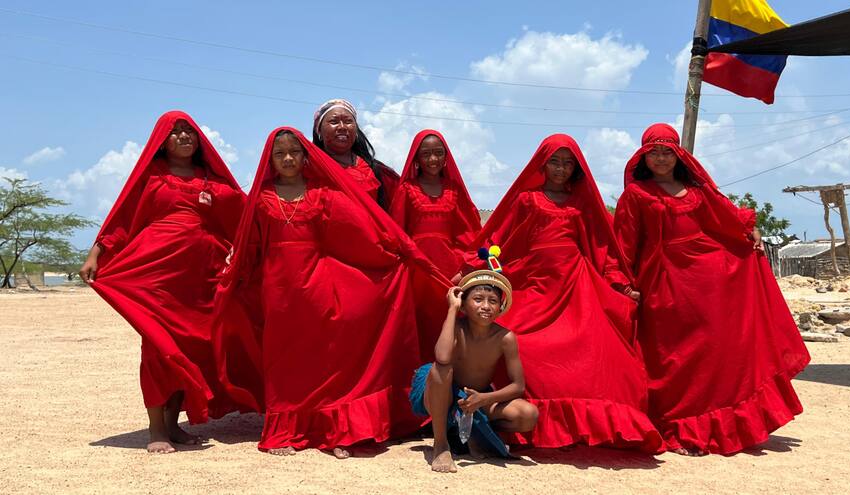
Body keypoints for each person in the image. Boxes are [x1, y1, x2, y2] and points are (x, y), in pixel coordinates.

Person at [211, 127, 450, 458]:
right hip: (279, 290)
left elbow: (360, 232)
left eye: (294, 152)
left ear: (306, 155)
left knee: (326, 360)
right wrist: (232, 277)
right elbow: (249, 247)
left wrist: (394, 256)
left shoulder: (323, 194)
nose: (289, 159)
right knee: (283, 360)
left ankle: (334, 430)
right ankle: (286, 430)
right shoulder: (262, 196)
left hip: (320, 285)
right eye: (280, 154)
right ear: (270, 159)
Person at [613, 123, 810, 455]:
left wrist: (751, 232)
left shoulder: (698, 192)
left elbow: (727, 219)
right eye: (654, 152)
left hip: (708, 283)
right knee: (672, 358)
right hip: (663, 285)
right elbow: (624, 243)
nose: (660, 159)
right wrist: (623, 283)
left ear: (678, 155)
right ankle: (675, 425)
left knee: (712, 353)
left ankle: (710, 426)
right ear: (643, 157)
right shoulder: (636, 194)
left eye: (667, 152)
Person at [458, 134, 663, 453]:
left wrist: (620, 285)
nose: (561, 168)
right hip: (535, 283)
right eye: (555, 161)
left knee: (597, 352)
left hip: (575, 284)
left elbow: (601, 249)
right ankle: (503, 417)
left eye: (568, 163)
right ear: (543, 163)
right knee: (519, 342)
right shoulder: (527, 199)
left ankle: (582, 426)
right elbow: (500, 240)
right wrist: (473, 267)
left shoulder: (582, 204)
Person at [78, 110, 246, 453]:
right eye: (176, 132)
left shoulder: (209, 180)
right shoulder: (151, 176)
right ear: (162, 140)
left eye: (189, 131)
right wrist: (95, 253)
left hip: (200, 278)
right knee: (157, 348)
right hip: (156, 275)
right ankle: (157, 428)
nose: (184, 137)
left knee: (193, 347)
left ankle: (174, 424)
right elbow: (122, 218)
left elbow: (242, 218)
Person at [410, 269, 537, 473]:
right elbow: (442, 357)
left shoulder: (505, 338)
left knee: (528, 415)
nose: (486, 306)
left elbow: (518, 386)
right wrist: (452, 309)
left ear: (500, 306)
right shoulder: (457, 326)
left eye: (493, 301)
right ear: (464, 304)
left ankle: (476, 434)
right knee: (440, 369)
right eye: (478, 299)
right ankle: (441, 444)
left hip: (476, 398)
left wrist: (483, 398)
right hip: (442, 394)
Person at [390, 130, 482, 279]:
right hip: (415, 267)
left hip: (450, 271)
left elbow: (467, 233)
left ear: (446, 156)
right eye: (426, 154)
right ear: (416, 159)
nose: (433, 159)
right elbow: (396, 232)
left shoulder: (454, 190)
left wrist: (463, 270)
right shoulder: (406, 190)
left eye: (438, 152)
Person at [312, 99, 399, 209]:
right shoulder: (309, 169)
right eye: (334, 122)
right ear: (319, 130)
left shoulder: (378, 172)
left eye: (348, 122)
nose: (342, 127)